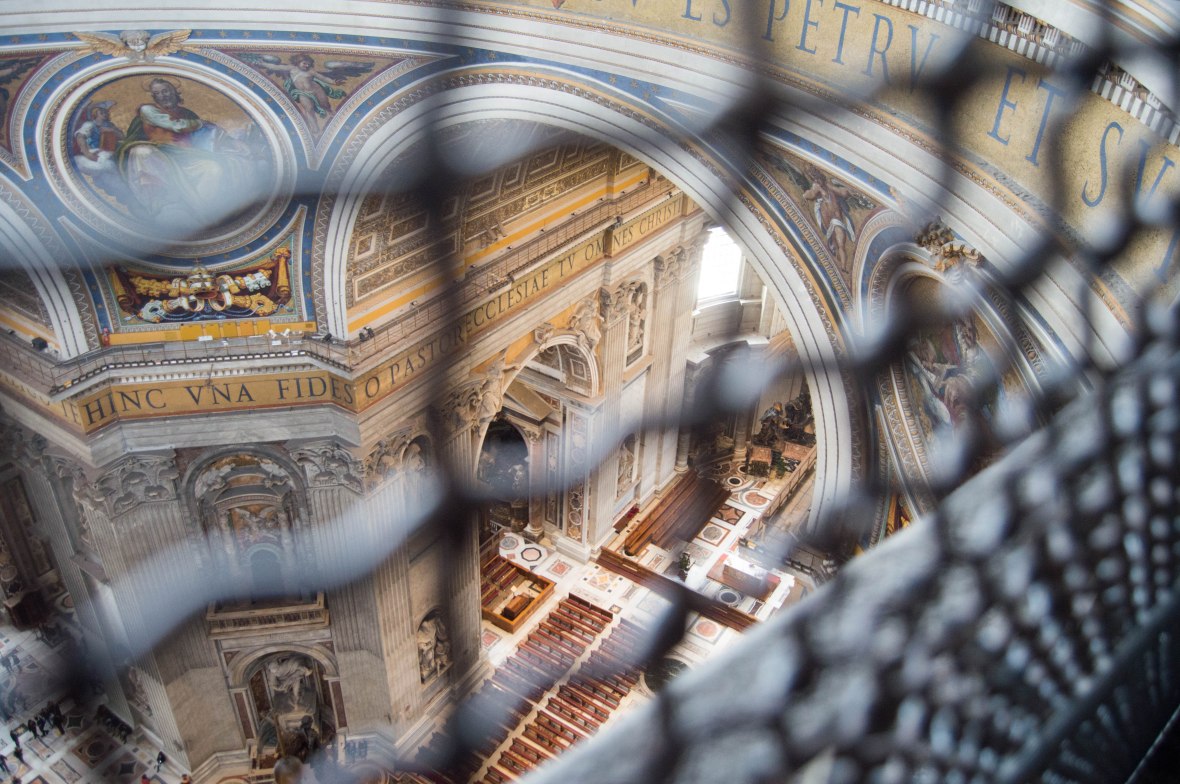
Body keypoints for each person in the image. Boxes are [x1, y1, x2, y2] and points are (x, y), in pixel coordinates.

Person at [115, 77, 263, 235]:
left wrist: (230, 141)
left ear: (174, 92)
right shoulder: (148, 110)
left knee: (213, 168)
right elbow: (176, 126)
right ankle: (162, 203)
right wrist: (199, 123)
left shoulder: (187, 113)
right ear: (153, 96)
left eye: (166, 91)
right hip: (160, 152)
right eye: (157, 93)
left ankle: (199, 211)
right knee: (142, 152)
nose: (162, 95)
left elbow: (207, 134)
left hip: (185, 155)